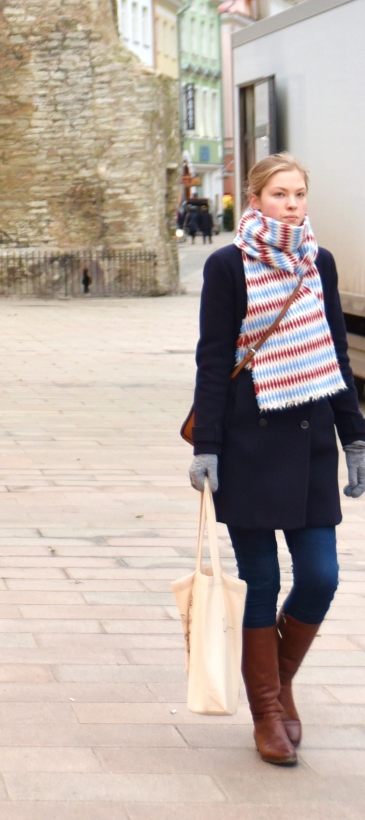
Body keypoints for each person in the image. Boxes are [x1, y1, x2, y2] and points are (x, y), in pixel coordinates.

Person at [189, 153, 365, 766]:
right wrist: (206, 446)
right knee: (260, 582)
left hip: (312, 441)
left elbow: (338, 358)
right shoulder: (227, 265)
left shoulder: (319, 262)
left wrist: (355, 438)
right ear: (255, 198)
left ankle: (280, 682)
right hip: (249, 445)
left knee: (321, 575)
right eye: (280, 194)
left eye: (299, 194)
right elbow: (213, 362)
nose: (292, 204)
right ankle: (267, 710)